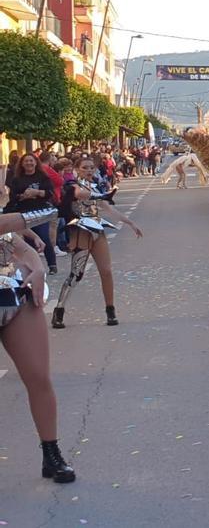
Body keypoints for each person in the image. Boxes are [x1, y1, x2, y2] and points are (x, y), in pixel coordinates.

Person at [0, 208, 75, 484]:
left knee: (39, 377)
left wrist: (39, 268)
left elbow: (18, 245)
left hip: (15, 297)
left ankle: (51, 453)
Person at [51, 157, 143, 329]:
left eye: (92, 167)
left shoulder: (95, 187)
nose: (89, 170)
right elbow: (79, 195)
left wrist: (130, 223)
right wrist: (102, 195)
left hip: (97, 229)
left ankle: (110, 310)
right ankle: (59, 309)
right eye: (85, 167)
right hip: (81, 230)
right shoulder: (72, 185)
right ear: (77, 169)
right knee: (76, 273)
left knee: (106, 271)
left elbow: (108, 207)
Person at [4, 153, 59, 275]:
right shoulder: (17, 179)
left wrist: (37, 192)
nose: (29, 163)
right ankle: (34, 267)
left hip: (41, 212)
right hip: (24, 213)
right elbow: (12, 197)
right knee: (29, 241)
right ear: (22, 164)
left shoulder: (43, 177)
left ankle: (52, 264)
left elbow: (50, 193)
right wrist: (23, 196)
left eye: (31, 161)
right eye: (26, 161)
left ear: (35, 162)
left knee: (44, 237)